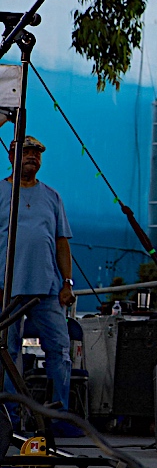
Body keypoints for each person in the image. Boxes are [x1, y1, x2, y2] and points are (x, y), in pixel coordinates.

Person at [0, 136, 75, 417]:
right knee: (8, 352)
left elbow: (61, 243)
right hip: (6, 288)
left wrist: (67, 282)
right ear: (11, 157)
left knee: (59, 349)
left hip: (47, 289)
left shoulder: (52, 196)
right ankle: (10, 416)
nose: (32, 157)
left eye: (36, 154)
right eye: (26, 152)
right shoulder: (0, 192)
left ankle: (61, 414)